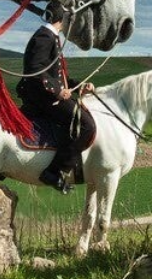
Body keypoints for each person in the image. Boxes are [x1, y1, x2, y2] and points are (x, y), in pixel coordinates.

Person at [15, 16, 95, 194]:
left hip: (48, 94)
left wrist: (80, 86)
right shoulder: (44, 37)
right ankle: (54, 172)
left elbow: (57, 75)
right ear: (64, 19)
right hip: (43, 98)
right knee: (85, 125)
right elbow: (35, 70)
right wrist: (57, 91)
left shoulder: (50, 36)